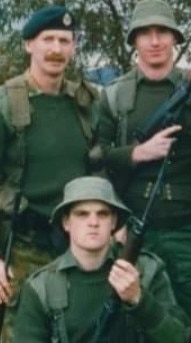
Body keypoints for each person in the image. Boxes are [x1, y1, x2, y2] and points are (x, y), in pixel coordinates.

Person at [97, 0, 191, 323]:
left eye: (162, 32)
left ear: (174, 38)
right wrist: (138, 153)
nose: (154, 41)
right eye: (145, 33)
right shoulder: (114, 96)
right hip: (133, 229)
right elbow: (96, 158)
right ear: (134, 40)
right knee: (131, 320)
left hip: (189, 229)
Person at [0, 5, 98, 340]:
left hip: (78, 245)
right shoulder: (7, 103)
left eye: (64, 40)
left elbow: (101, 166)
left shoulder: (84, 103)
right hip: (24, 245)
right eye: (48, 40)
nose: (56, 49)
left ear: (73, 47)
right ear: (29, 44)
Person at [13, 176, 189, 342]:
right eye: (82, 214)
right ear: (66, 222)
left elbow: (179, 337)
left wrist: (139, 300)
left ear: (113, 222)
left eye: (102, 214)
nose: (93, 222)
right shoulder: (42, 287)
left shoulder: (146, 270)